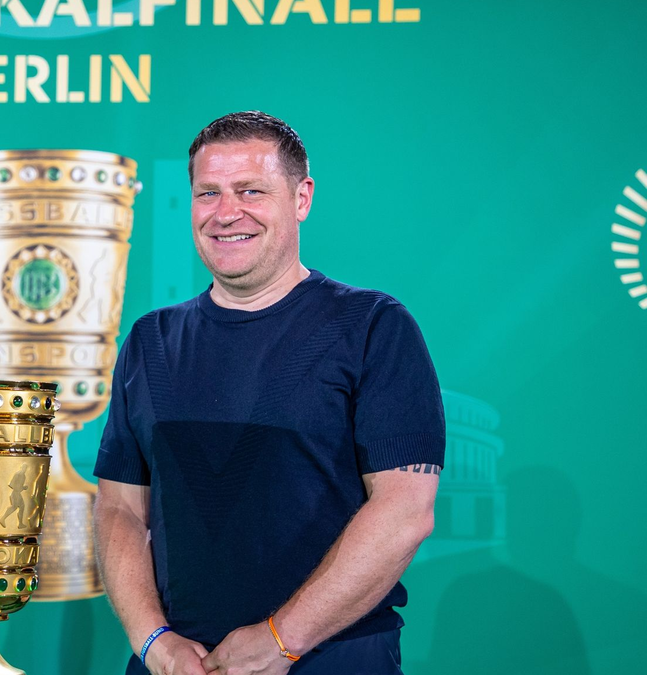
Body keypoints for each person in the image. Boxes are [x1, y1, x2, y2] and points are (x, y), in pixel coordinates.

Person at [93, 111, 444, 675]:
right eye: (208, 193)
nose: (226, 212)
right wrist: (153, 641)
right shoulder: (150, 341)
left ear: (301, 198)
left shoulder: (372, 326)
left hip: (329, 659)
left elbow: (405, 511)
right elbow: (119, 509)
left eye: (251, 190)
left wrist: (280, 641)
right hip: (177, 665)